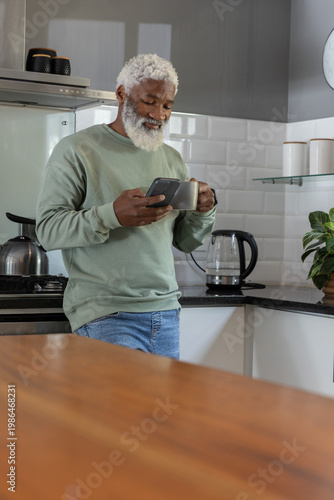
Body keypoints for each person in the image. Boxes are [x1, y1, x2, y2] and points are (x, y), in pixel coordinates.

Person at [36, 53, 216, 359]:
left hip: (165, 312)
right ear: (121, 94)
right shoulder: (76, 150)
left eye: (168, 105)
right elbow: (48, 231)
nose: (159, 114)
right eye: (150, 101)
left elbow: (185, 242)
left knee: (157, 410)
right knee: (119, 409)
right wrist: (112, 215)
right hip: (105, 313)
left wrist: (203, 211)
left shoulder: (171, 158)